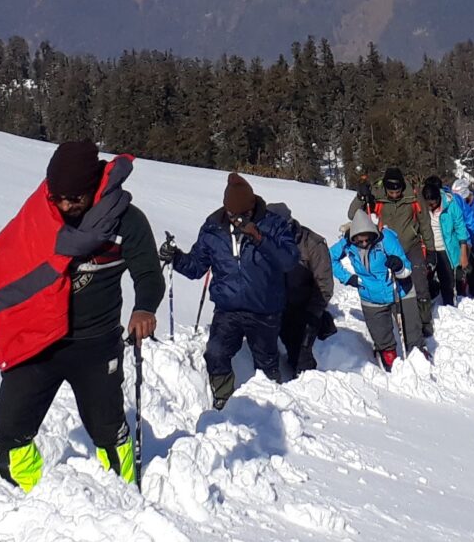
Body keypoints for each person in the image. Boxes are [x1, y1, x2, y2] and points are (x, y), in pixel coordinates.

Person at [0, 138, 163, 490]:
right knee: (9, 432)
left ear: (94, 187)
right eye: (58, 197)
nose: (65, 205)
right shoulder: (40, 216)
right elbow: (8, 277)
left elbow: (149, 274)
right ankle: (28, 497)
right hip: (39, 342)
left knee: (109, 433)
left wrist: (144, 308)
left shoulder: (127, 222)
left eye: (75, 197)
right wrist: (0, 331)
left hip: (97, 345)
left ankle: (122, 498)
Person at [167, 174, 303, 409]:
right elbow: (197, 267)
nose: (237, 220)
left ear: (252, 208)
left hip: (265, 308)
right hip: (228, 308)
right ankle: (223, 399)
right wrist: (176, 258)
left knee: (266, 361)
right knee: (215, 354)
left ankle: (269, 406)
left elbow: (289, 260)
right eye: (232, 214)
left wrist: (260, 239)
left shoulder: (273, 224)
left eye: (243, 215)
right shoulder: (213, 228)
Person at [332, 215, 417, 368]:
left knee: (412, 334)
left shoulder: (386, 238)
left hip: (399, 291)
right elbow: (329, 257)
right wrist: (347, 278)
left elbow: (406, 268)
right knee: (382, 337)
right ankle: (389, 359)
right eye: (360, 241)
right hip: (370, 296)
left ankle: (419, 360)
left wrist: (398, 266)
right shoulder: (347, 243)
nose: (364, 244)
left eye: (368, 239)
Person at [366, 169, 436, 349]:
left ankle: (425, 321)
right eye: (391, 192)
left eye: (397, 191)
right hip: (388, 248)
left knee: (419, 282)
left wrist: (430, 249)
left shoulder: (413, 196)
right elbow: (354, 214)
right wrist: (360, 196)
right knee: (392, 286)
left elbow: (425, 224)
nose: (395, 195)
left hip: (411, 246)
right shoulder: (377, 195)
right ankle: (400, 319)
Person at [279, 203, 340, 378]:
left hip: (306, 305)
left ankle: (308, 379)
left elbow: (324, 285)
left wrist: (313, 314)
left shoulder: (311, 243)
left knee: (301, 350)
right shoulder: (268, 241)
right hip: (280, 305)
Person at [420, 174, 465, 310]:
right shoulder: (422, 207)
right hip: (429, 249)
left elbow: (460, 227)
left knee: (447, 281)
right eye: (428, 205)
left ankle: (449, 307)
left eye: (433, 204)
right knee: (425, 279)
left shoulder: (450, 205)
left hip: (446, 250)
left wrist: (463, 250)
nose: (431, 207)